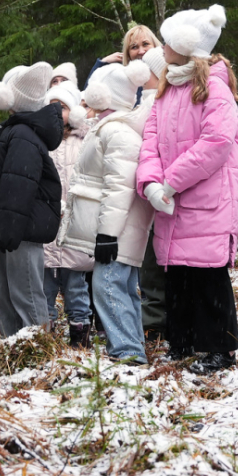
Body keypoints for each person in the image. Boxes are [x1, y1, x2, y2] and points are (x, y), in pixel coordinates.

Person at [136, 5, 238, 375]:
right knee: (177, 274)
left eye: (168, 41)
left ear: (185, 46)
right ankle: (181, 343)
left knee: (208, 274)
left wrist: (172, 180)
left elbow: (216, 142)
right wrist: (150, 183)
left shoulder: (214, 87)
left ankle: (220, 348)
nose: (162, 47)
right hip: (172, 200)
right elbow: (150, 140)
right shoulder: (168, 88)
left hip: (205, 199)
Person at [65, 60, 156, 364]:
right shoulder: (108, 128)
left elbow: (120, 187)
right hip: (117, 229)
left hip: (119, 230)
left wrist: (107, 234)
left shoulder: (118, 132)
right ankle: (129, 349)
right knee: (120, 288)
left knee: (108, 288)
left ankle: (128, 353)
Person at [0, 62, 62, 337]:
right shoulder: (16, 130)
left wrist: (8, 230)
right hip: (12, 230)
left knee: (26, 294)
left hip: (21, 230)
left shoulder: (23, 135)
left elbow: (17, 187)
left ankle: (38, 349)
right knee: (9, 295)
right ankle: (13, 346)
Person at [43, 79, 94, 347]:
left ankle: (80, 333)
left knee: (76, 287)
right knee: (45, 287)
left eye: (62, 106)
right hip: (47, 227)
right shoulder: (41, 141)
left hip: (75, 226)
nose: (56, 112)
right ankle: (46, 334)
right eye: (51, 106)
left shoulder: (84, 138)